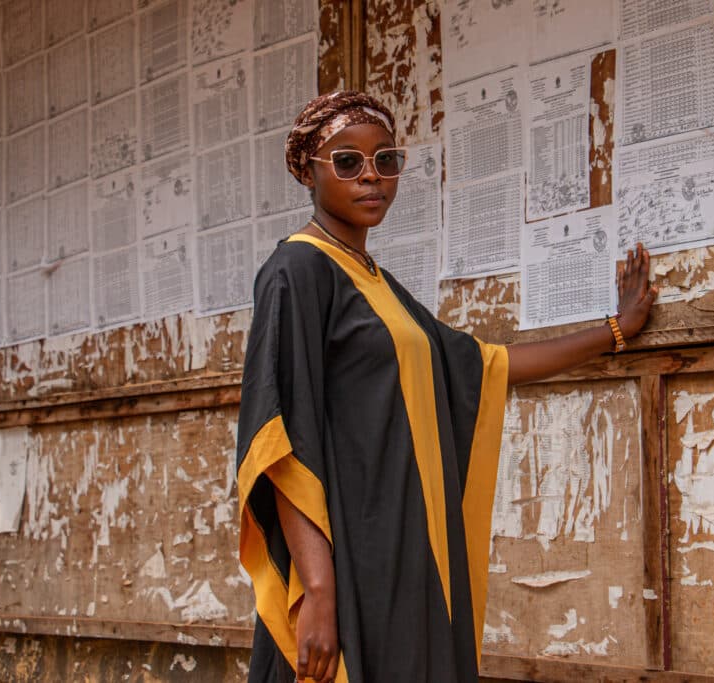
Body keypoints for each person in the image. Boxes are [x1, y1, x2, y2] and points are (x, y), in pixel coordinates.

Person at [236, 91, 656, 683]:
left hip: (405, 551)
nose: (372, 177)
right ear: (308, 170)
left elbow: (487, 366)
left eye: (386, 160)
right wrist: (319, 590)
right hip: (350, 558)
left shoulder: (378, 284)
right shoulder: (297, 271)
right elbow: (280, 438)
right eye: (348, 162)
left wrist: (615, 329)